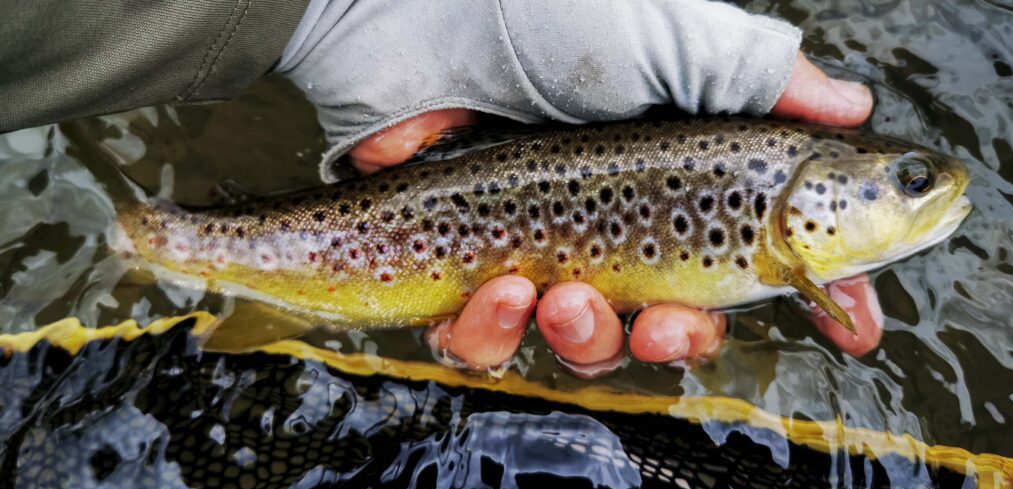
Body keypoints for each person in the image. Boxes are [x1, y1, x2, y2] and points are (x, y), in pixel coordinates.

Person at [0, 0, 880, 373]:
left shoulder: (769, 200)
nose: (932, 194)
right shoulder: (784, 230)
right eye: (905, 184)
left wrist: (348, 11)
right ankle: (143, 238)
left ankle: (152, 239)